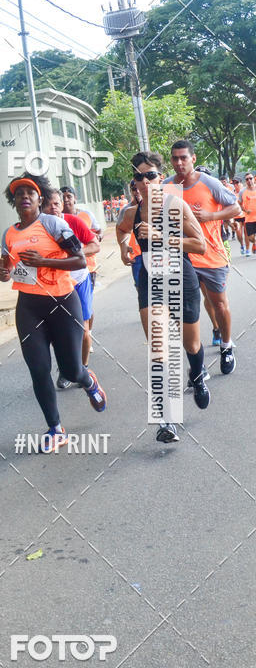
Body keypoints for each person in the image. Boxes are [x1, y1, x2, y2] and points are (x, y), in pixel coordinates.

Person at [0, 176, 107, 451]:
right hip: (29, 306)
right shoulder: (9, 234)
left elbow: (80, 259)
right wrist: (1, 273)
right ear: (13, 201)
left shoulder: (53, 224)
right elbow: (5, 268)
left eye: (29, 192)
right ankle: (55, 428)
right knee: (39, 369)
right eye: (18, 193)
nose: (24, 196)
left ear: (39, 198)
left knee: (71, 369)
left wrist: (44, 261)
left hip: (63, 303)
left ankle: (88, 381)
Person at [118, 152, 210, 444]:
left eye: (150, 175)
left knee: (190, 343)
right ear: (134, 182)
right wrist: (123, 247)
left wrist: (161, 236)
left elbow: (201, 245)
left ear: (161, 178)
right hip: (150, 280)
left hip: (181, 277)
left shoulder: (175, 206)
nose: (144, 181)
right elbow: (121, 230)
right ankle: (166, 420)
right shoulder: (131, 213)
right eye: (138, 177)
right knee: (159, 349)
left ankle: (196, 374)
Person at [166, 141, 241, 373]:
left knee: (218, 303)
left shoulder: (209, 183)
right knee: (188, 310)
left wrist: (211, 215)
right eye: (175, 158)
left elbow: (236, 208)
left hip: (211, 255)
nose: (179, 163)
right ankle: (197, 364)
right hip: (182, 258)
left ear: (193, 159)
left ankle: (226, 347)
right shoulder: (167, 187)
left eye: (183, 158)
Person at [42, 187, 100, 386]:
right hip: (55, 283)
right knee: (59, 332)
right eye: (48, 205)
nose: (54, 209)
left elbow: (95, 244)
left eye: (57, 204)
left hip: (79, 280)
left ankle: (81, 369)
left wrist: (77, 252)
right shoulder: (38, 228)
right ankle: (66, 371)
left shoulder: (73, 221)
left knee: (83, 331)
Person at [116, 179, 143, 288]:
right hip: (136, 255)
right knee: (141, 288)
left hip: (155, 254)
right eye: (134, 189)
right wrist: (123, 249)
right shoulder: (126, 210)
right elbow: (120, 230)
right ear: (131, 191)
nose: (137, 192)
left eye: (139, 188)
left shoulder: (155, 206)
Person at [238, 172, 256, 256]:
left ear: (254, 179)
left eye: (250, 178)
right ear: (245, 181)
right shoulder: (242, 192)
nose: (249, 180)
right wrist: (244, 210)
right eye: (247, 179)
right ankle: (254, 243)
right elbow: (239, 204)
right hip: (249, 218)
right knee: (250, 238)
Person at [231, 177, 246, 254]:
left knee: (248, 234)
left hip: (246, 216)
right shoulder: (232, 194)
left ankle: (250, 246)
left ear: (241, 183)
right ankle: (242, 245)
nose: (235, 185)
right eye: (234, 183)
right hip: (237, 216)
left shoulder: (245, 191)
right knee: (239, 234)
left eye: (237, 183)